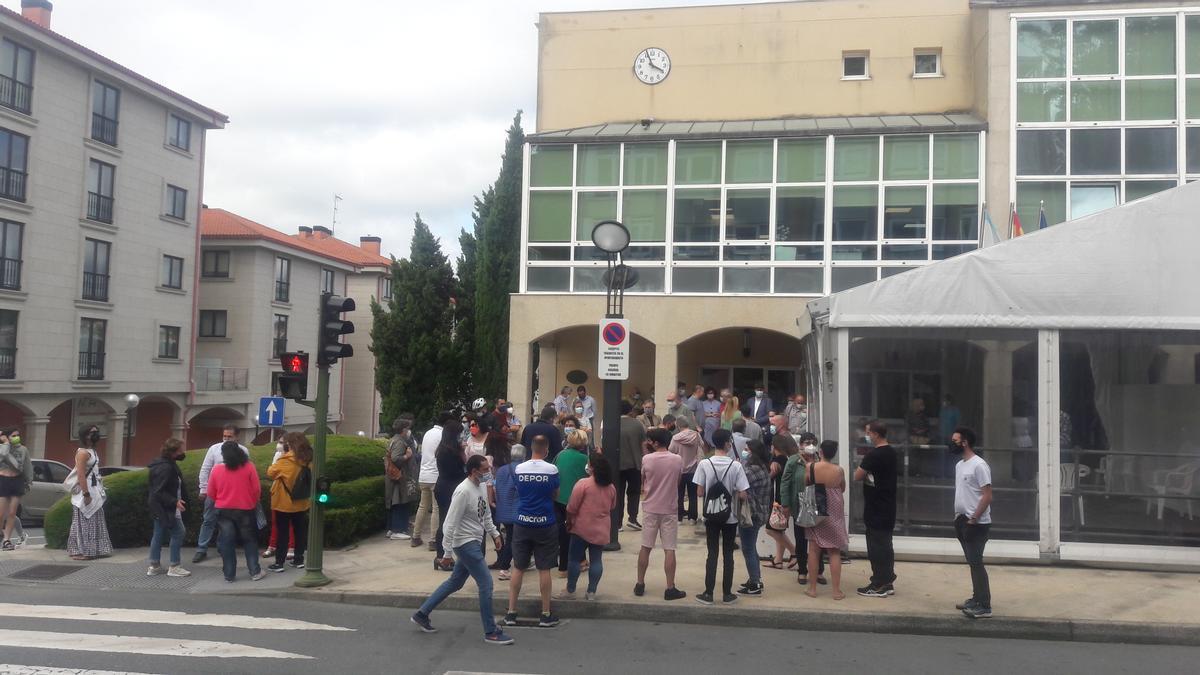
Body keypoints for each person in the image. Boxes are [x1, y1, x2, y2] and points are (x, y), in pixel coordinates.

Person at [410, 455, 514, 646]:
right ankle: (490, 631)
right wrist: (447, 553)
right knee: (486, 584)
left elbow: (485, 514)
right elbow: (449, 524)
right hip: (465, 543)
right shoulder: (463, 491)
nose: (489, 472)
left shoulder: (480, 486)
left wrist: (494, 533)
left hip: (474, 540)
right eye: (485, 469)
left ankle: (421, 614)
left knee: (455, 582)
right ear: (474, 471)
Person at [502, 435, 561, 629]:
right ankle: (545, 614)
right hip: (545, 523)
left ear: (531, 449)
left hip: (522, 521)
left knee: (518, 567)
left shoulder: (519, 469)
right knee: (544, 569)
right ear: (546, 450)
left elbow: (519, 491)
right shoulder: (552, 470)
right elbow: (556, 494)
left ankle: (511, 612)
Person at [693, 428, 749, 605]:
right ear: (727, 444)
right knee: (728, 554)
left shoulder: (704, 464)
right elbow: (743, 494)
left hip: (711, 515)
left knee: (712, 553)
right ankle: (727, 594)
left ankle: (708, 593)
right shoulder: (736, 466)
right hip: (730, 516)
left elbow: (699, 492)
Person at [634, 428, 687, 601]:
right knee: (669, 549)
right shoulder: (677, 459)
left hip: (650, 507)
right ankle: (670, 587)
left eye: (650, 440)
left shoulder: (646, 459)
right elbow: (678, 481)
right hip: (669, 508)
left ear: (655, 443)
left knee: (645, 547)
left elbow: (643, 480)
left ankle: (640, 583)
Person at [560, 454, 617, 600]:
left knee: (574, 560)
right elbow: (612, 506)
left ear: (591, 467)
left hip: (581, 528)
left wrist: (569, 522)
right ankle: (591, 592)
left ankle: (570, 590)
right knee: (596, 560)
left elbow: (571, 507)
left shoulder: (583, 484)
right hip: (601, 530)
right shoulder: (611, 487)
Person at [952, 427, 993, 619]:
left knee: (976, 562)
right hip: (962, 519)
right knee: (972, 562)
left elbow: (987, 496)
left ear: (965, 442)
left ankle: (984, 605)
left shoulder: (979, 465)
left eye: (955, 440)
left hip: (976, 523)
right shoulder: (960, 465)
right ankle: (977, 598)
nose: (952, 444)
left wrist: (974, 518)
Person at [207, 440, 263, 582]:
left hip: (223, 509)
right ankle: (255, 572)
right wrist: (253, 501)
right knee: (249, 540)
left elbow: (211, 493)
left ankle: (229, 575)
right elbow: (257, 489)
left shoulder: (216, 469)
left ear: (223, 454)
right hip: (245, 508)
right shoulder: (249, 467)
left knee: (226, 542)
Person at [194, 424, 250, 563]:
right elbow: (205, 469)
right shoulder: (214, 449)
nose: (226, 439)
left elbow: (245, 472)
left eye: (229, 436)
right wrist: (203, 489)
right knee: (208, 520)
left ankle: (222, 547)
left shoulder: (243, 451)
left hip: (231, 493)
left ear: (237, 437)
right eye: (224, 436)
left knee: (226, 522)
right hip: (214, 491)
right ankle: (201, 549)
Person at [855, 419, 898, 598]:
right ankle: (887, 580)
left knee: (876, 546)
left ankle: (879, 583)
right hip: (888, 505)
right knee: (886, 545)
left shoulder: (873, 455)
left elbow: (857, 475)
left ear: (875, 434)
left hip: (876, 507)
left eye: (868, 432)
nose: (867, 436)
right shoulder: (892, 452)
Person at [805, 440, 847, 600]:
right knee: (834, 551)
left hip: (816, 506)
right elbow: (842, 488)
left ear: (820, 452)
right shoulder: (839, 470)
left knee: (814, 549)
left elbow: (806, 483)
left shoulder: (811, 467)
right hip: (834, 509)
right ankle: (836, 591)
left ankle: (812, 589)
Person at [781, 433, 825, 585]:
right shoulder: (794, 461)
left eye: (813, 442)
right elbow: (785, 483)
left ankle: (819, 571)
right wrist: (785, 504)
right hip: (799, 505)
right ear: (800, 445)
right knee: (801, 539)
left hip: (818, 505)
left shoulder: (820, 460)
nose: (810, 445)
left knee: (819, 539)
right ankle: (802, 570)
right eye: (807, 442)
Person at [267, 432, 312, 572]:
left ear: (290, 444)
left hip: (284, 502)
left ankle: (279, 563)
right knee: (300, 531)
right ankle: (299, 560)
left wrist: (279, 458)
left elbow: (271, 472)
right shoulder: (309, 459)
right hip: (302, 501)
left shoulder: (285, 459)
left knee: (282, 533)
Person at [65, 424, 111, 561]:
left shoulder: (93, 451)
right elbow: (81, 475)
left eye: (97, 431)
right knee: (84, 521)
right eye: (92, 432)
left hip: (95, 489)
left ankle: (94, 549)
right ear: (85, 435)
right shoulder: (83, 453)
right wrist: (86, 494)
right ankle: (85, 551)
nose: (96, 434)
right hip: (86, 491)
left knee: (94, 519)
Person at [146, 438, 190, 577]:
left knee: (158, 533)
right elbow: (159, 490)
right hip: (165, 507)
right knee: (178, 532)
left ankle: (154, 565)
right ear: (173, 452)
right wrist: (174, 501)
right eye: (180, 450)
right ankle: (174, 566)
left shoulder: (163, 464)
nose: (183, 452)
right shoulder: (166, 468)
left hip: (159, 506)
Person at [553, 429, 590, 577]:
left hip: (558, 498)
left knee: (563, 534)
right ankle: (569, 565)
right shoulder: (584, 459)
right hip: (576, 501)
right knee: (578, 533)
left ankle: (570, 564)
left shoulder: (560, 455)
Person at [738, 438, 772, 596]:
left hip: (751, 514)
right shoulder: (762, 467)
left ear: (753, 453)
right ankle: (754, 578)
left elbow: (739, 484)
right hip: (759, 513)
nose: (744, 452)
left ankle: (755, 582)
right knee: (751, 547)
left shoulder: (752, 471)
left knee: (748, 548)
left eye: (747, 449)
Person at [434, 419, 467, 571]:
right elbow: (456, 472)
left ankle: (443, 555)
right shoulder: (448, 452)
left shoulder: (444, 449)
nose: (461, 437)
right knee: (446, 523)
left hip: (444, 486)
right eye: (459, 434)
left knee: (446, 521)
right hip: (449, 488)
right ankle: (442, 556)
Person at [414, 412, 450, 551]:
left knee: (422, 506)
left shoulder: (428, 433)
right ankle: (433, 540)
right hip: (435, 475)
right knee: (436, 508)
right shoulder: (443, 435)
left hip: (423, 475)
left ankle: (415, 537)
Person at [764, 434, 798, 570]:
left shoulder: (777, 461)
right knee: (779, 530)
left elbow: (768, 478)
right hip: (784, 498)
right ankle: (778, 560)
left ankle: (794, 552)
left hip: (777, 499)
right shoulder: (787, 459)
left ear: (774, 446)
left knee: (770, 529)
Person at [614, 400, 646, 536]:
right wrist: (645, 460)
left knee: (618, 493)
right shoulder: (638, 424)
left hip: (617, 464)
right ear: (630, 410)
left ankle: (617, 523)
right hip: (635, 463)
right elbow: (643, 445)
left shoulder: (612, 423)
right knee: (634, 492)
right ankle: (633, 518)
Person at [492, 443, 523, 580]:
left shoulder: (500, 470)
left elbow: (496, 487)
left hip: (503, 509)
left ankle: (515, 563)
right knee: (512, 539)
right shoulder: (521, 469)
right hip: (515, 509)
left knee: (511, 537)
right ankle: (505, 567)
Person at [384, 419, 419, 541]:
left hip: (394, 477)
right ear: (404, 430)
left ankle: (392, 528)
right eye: (408, 428)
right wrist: (407, 456)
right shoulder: (399, 442)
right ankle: (397, 530)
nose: (409, 431)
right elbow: (395, 458)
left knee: (395, 503)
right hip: (398, 478)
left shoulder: (394, 439)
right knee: (399, 502)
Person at [0, 427, 32, 551]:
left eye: (17, 435)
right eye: (13, 435)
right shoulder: (2, 448)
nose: (16, 437)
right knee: (1, 513)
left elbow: (28, 465)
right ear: (6, 437)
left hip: (17, 480)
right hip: (3, 480)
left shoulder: (23, 449)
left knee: (12, 513)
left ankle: (7, 540)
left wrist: (29, 481)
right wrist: (5, 443)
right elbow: (3, 454)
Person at [261, 439, 294, 561]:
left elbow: (275, 471)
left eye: (283, 442)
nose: (280, 444)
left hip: (291, 494)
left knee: (290, 523)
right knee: (275, 521)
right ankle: (272, 545)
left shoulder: (294, 458)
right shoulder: (278, 455)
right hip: (277, 492)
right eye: (279, 441)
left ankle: (291, 547)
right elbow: (272, 473)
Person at [670, 416, 704, 523]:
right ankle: (692, 518)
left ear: (678, 425)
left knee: (679, 494)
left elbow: (671, 451)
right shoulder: (696, 435)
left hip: (679, 470)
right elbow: (702, 445)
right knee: (693, 494)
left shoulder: (675, 438)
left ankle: (679, 517)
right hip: (694, 469)